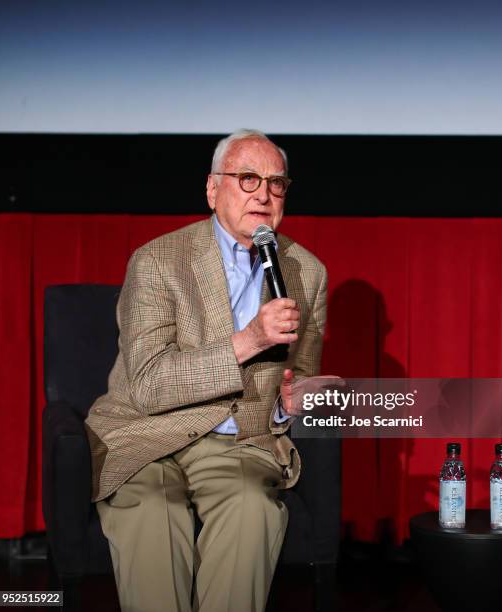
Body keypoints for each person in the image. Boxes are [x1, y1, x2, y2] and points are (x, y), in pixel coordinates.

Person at [85, 129, 328, 612]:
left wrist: (294, 401)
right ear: (213, 189)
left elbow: (295, 376)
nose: (263, 193)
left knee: (251, 510)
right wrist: (251, 339)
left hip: (239, 440)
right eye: (248, 178)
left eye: (276, 183)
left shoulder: (306, 270)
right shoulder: (158, 260)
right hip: (146, 432)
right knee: (154, 515)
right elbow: (149, 386)